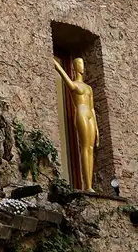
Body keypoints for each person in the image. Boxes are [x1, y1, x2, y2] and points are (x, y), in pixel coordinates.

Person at [53, 57, 98, 192]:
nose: (82, 66)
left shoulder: (88, 87)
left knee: (90, 148)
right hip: (82, 113)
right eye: (79, 64)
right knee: (84, 147)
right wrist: (56, 64)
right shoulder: (74, 84)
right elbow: (67, 81)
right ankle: (87, 186)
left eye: (83, 64)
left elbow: (93, 108)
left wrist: (96, 127)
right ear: (74, 67)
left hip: (90, 115)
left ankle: (90, 185)